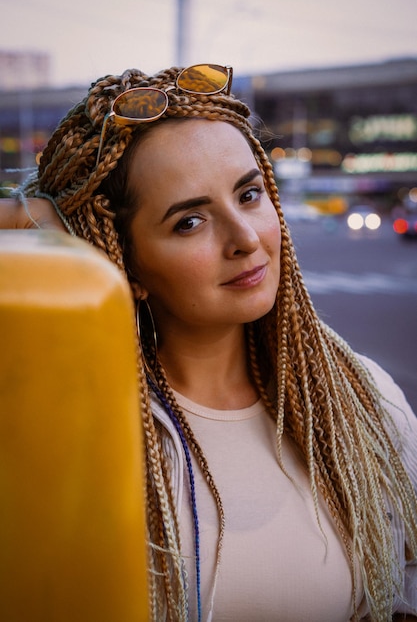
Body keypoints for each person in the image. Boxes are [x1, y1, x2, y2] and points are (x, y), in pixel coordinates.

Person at [1, 64, 417, 622]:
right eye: (189, 222)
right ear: (128, 262)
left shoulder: (363, 398)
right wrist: (33, 222)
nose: (246, 239)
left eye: (249, 194)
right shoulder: (82, 432)